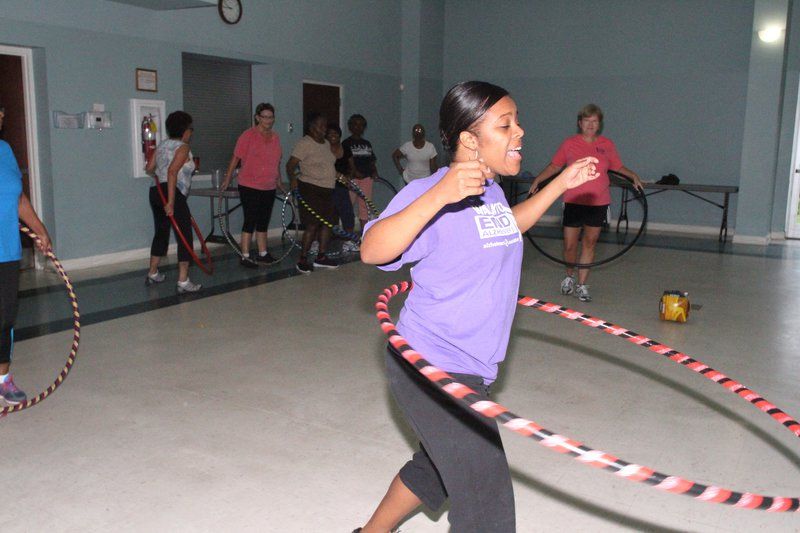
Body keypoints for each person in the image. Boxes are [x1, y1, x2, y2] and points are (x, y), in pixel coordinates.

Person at [355, 81, 598, 532]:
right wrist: (440, 195)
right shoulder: (432, 191)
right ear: (469, 139)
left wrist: (561, 184)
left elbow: (507, 226)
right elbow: (372, 249)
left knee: (439, 468)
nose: (520, 132)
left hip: (472, 363)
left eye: (517, 122)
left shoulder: (491, 191)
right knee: (487, 502)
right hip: (430, 363)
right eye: (506, 125)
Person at [528, 104, 643, 302]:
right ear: (580, 123)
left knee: (589, 243)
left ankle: (582, 285)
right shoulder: (569, 143)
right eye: (587, 121)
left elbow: (617, 166)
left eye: (595, 121)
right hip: (573, 200)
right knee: (570, 245)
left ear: (599, 124)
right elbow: (555, 165)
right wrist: (538, 179)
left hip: (598, 202)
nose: (590, 125)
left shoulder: (607, 144)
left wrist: (632, 175)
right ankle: (569, 276)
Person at [0, 103, 51, 404]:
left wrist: (40, 230)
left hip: (6, 250)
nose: (2, 116)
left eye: (1, 112)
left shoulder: (5, 150)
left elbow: (18, 199)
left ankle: (3, 378)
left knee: (4, 318)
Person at [221, 103, 285, 268]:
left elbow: (276, 160)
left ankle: (263, 253)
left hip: (268, 185)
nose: (268, 120)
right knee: (250, 219)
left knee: (263, 220)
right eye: (265, 117)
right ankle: (246, 255)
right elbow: (235, 158)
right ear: (257, 117)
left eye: (271, 117)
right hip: (249, 184)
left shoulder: (275, 137)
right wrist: (227, 179)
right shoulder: (248, 135)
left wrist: (278, 179)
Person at [145, 111, 202, 293]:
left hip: (156, 192)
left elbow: (149, 168)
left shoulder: (162, 145)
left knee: (161, 231)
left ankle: (153, 272)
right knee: (184, 235)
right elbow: (172, 172)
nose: (191, 132)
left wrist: (161, 179)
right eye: (190, 129)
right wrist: (170, 201)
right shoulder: (183, 147)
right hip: (172, 193)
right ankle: (183, 280)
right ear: (185, 130)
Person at [285, 112, 339, 273]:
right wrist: (293, 180)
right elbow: (290, 165)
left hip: (328, 189)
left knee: (328, 224)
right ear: (312, 127)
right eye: (321, 126)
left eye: (325, 126)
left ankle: (321, 257)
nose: (324, 129)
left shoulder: (325, 144)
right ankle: (302, 258)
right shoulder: (305, 143)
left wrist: (339, 175)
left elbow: (326, 166)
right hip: (310, 189)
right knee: (312, 225)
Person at [326, 123, 359, 253]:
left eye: (335, 133)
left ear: (339, 135)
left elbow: (352, 166)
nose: (333, 136)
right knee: (327, 214)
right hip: (327, 186)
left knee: (347, 213)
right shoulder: (323, 149)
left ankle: (348, 241)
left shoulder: (345, 148)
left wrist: (348, 178)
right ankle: (320, 241)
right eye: (330, 134)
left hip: (342, 186)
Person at [342, 114, 377, 232]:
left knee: (365, 207)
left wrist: (374, 171)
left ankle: (364, 233)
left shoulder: (366, 143)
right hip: (352, 179)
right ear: (350, 127)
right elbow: (347, 160)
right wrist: (355, 173)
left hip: (367, 178)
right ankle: (348, 234)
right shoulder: (346, 143)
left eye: (361, 125)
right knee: (348, 206)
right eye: (355, 124)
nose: (358, 127)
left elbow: (371, 160)